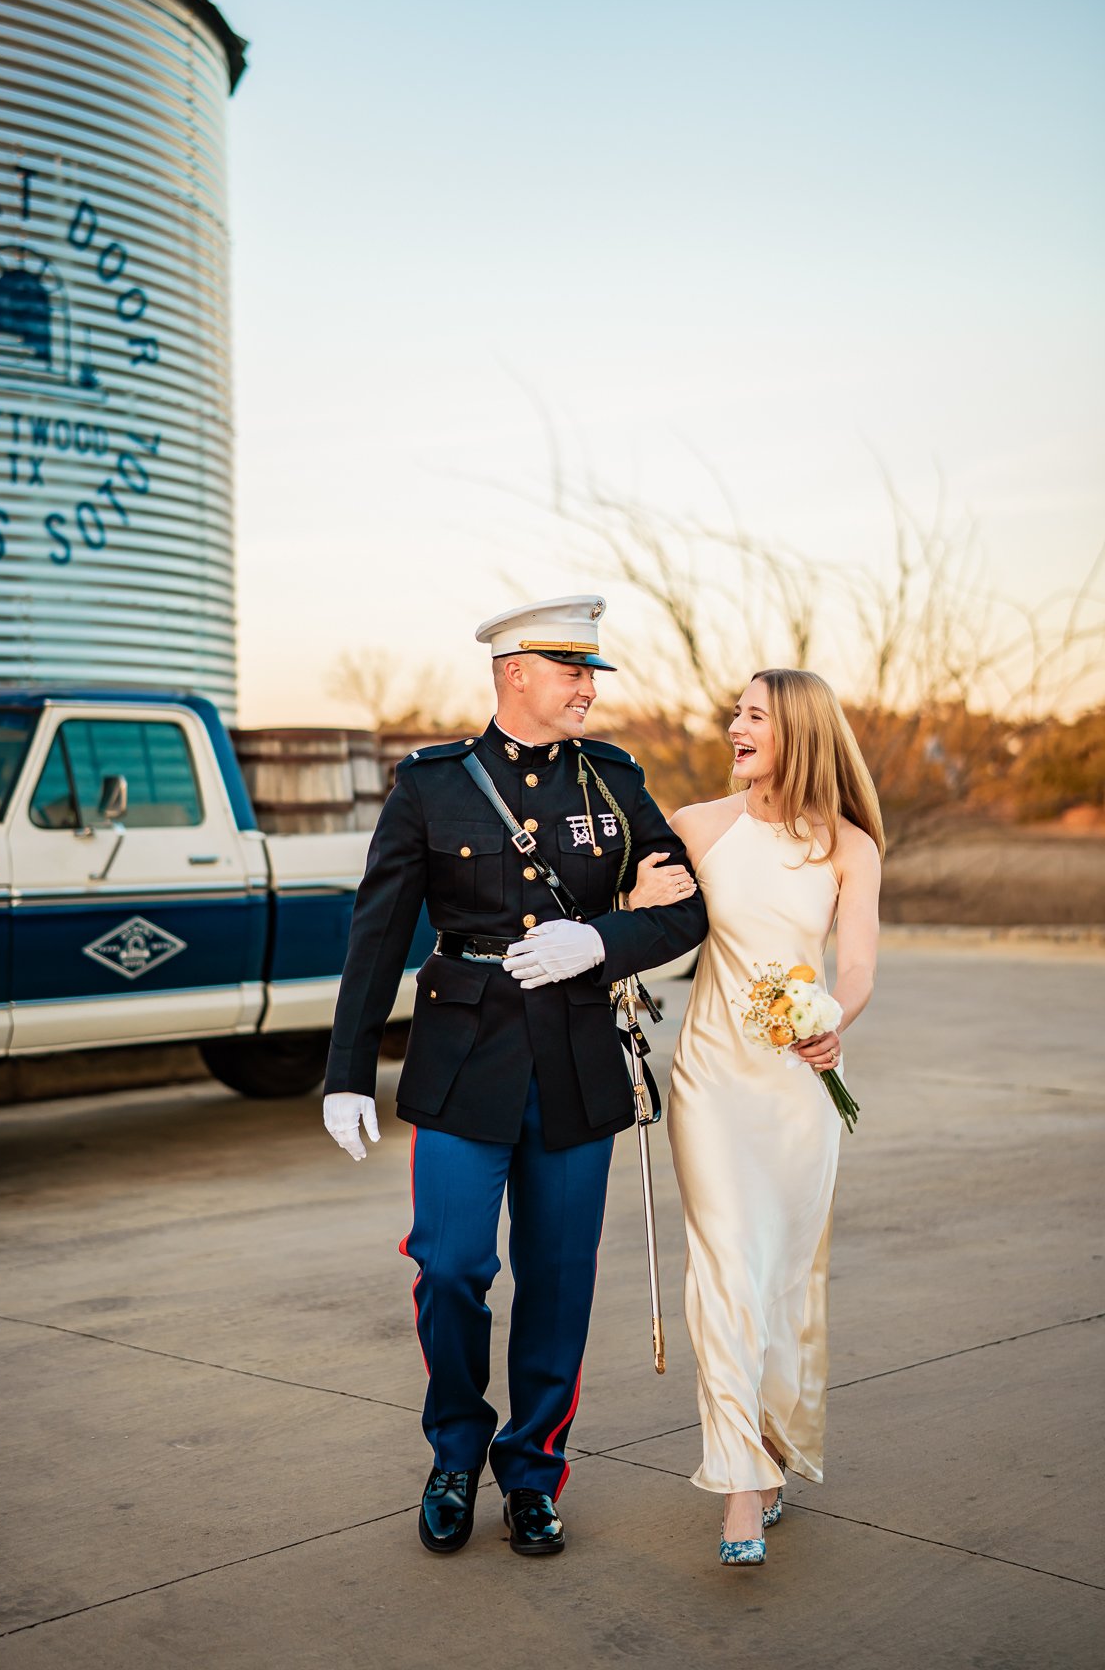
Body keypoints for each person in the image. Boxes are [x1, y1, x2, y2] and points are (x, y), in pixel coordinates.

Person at [322, 595, 706, 1558]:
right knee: (450, 1267)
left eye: (593, 671)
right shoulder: (432, 785)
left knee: (560, 1280)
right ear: (513, 673)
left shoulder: (614, 781)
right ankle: (455, 1452)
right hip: (463, 1057)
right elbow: (377, 937)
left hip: (577, 1055)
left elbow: (686, 909)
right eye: (569, 669)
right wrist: (345, 1072)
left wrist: (601, 940)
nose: (588, 686)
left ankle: (533, 1470)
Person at [628, 666, 884, 1567]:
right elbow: (641, 921)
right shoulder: (698, 827)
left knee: (779, 1274)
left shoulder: (850, 847)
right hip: (710, 1081)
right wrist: (632, 903)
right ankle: (738, 1481)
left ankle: (772, 1451)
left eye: (753, 717)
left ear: (798, 735)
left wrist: (832, 1023)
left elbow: (853, 967)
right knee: (726, 1269)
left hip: (797, 1091)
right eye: (734, 713)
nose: (734, 726)